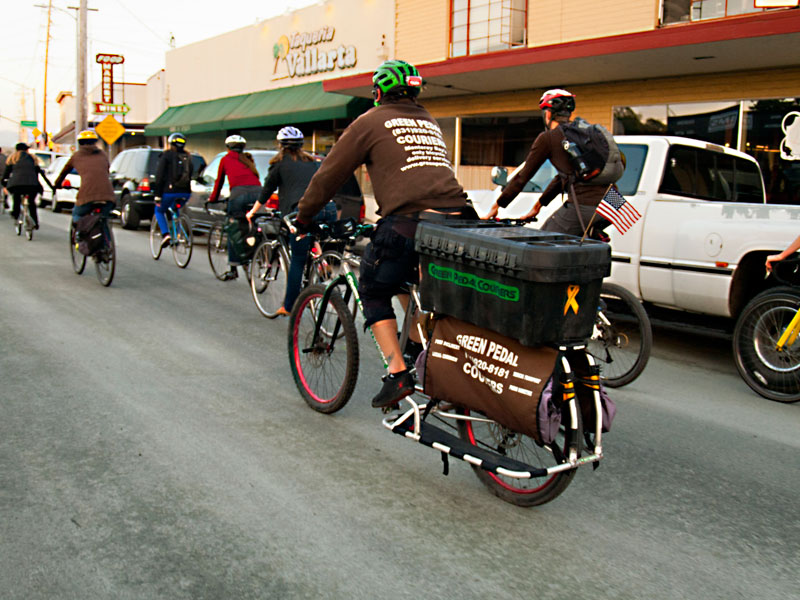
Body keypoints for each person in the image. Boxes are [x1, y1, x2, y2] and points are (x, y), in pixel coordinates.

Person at [295, 59, 468, 409]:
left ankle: (398, 374)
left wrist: (303, 217)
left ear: (378, 92)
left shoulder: (370, 121)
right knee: (412, 282)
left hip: (410, 221)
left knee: (374, 287)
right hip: (462, 220)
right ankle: (430, 356)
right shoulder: (429, 120)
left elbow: (328, 175)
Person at [484, 89, 611, 237]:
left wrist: (497, 205)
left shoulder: (548, 138)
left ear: (548, 113)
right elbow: (563, 178)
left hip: (586, 204)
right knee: (576, 247)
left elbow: (522, 177)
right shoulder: (581, 134)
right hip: (614, 203)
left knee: (542, 245)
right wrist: (538, 206)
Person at [245, 126, 337, 312]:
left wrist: (253, 211)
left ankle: (288, 306)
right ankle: (322, 262)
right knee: (311, 232)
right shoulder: (312, 162)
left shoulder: (279, 164)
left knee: (297, 259)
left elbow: (267, 190)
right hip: (328, 209)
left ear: (280, 145)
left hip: (300, 211)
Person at [208, 134, 262, 281]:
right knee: (253, 224)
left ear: (228, 147)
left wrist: (212, 199)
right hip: (258, 193)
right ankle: (259, 254)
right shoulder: (248, 159)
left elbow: (219, 182)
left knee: (233, 228)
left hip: (238, 195)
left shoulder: (225, 159)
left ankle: (233, 268)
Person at [54, 130, 116, 236]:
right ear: (95, 142)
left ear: (80, 143)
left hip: (87, 194)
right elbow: (106, 170)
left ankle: (79, 236)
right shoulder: (103, 155)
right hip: (108, 195)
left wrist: (57, 184)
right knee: (103, 219)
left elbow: (64, 172)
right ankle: (107, 246)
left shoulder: (76, 156)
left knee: (77, 214)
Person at [153, 132, 193, 248]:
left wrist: (157, 194)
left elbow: (159, 176)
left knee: (159, 210)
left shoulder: (166, 156)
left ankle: (166, 234)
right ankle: (179, 235)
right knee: (175, 209)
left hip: (169, 192)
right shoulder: (188, 157)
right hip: (186, 192)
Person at [1, 142, 53, 230]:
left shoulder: (13, 159)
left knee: (16, 198)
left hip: (16, 185)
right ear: (27, 150)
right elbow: (40, 174)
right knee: (31, 203)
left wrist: (4, 183)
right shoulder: (33, 159)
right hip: (32, 185)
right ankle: (35, 222)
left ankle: (16, 214)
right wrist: (52, 187)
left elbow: (6, 175)